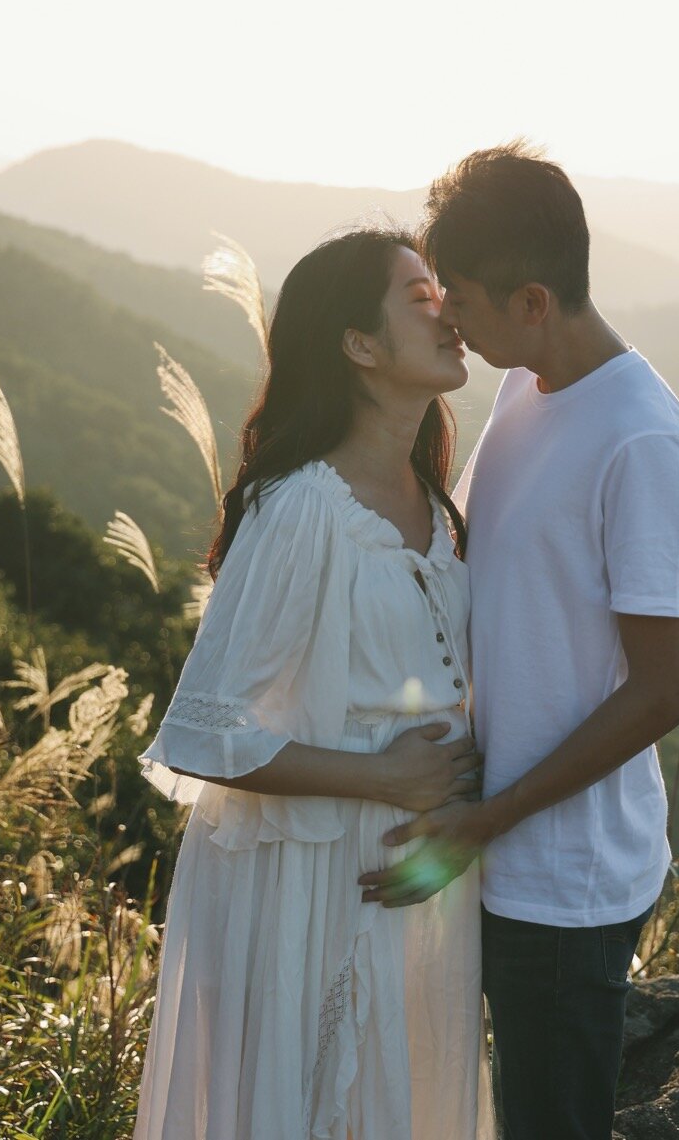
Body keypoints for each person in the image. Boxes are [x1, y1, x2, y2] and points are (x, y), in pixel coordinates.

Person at [359, 143, 679, 1140]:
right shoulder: (522, 388)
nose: (444, 317)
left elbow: (660, 693)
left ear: (532, 300)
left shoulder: (639, 438)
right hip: (500, 844)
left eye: (458, 296)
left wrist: (492, 815)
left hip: (565, 877)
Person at [133, 228, 494, 1140]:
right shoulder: (300, 507)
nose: (448, 310)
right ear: (358, 343)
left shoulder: (435, 504)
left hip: (419, 874)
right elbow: (204, 732)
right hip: (309, 880)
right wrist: (384, 778)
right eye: (420, 296)